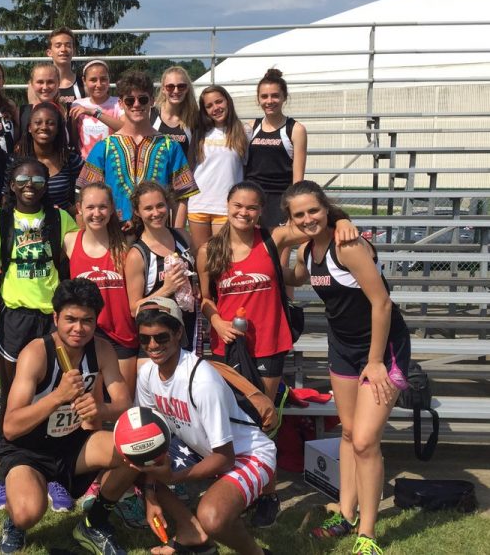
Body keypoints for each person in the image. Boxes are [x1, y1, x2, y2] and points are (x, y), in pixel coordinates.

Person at [197, 180, 357, 528]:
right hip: (229, 345)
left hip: (268, 342)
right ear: (227, 205)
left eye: (252, 207)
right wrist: (217, 319)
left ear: (260, 212)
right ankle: (239, 486)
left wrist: (342, 220)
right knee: (232, 420)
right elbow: (204, 297)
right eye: (238, 205)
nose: (244, 212)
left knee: (262, 418)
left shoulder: (273, 238)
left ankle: (268, 493)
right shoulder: (210, 250)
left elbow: (312, 223)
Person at [283, 181, 410, 555]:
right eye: (298, 215)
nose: (308, 218)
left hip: (382, 348)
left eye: (313, 211)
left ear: (326, 209)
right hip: (342, 347)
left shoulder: (348, 246)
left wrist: (374, 362)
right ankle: (345, 512)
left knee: (367, 441)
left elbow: (382, 303)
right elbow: (292, 279)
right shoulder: (307, 250)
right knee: (350, 433)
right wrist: (283, 243)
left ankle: (367, 534)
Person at [0, 157, 78, 511]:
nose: (30, 184)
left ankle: (56, 475)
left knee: (60, 395)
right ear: (11, 185)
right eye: (23, 178)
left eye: (38, 179)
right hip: (15, 318)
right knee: (14, 400)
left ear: (48, 184)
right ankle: (10, 472)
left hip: (54, 319)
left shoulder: (62, 218)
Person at [0, 278, 138, 555]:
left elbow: (124, 403)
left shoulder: (101, 349)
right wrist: (57, 397)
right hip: (29, 449)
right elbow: (11, 428)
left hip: (73, 443)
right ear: (55, 317)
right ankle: (14, 518)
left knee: (136, 450)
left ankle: (94, 522)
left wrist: (101, 409)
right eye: (70, 319)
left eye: (87, 320)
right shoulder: (36, 353)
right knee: (27, 513)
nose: (78, 328)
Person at [134, 297, 276, 555]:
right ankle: (192, 534)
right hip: (201, 449)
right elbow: (150, 437)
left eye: (161, 337)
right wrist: (151, 494)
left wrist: (172, 477)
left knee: (212, 517)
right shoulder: (146, 374)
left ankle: (256, 553)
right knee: (134, 459)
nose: (153, 346)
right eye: (145, 339)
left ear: (178, 333)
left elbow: (225, 458)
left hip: (247, 453)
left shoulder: (201, 380)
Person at [77, 70, 197, 226]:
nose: (136, 105)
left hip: (157, 235)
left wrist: (177, 234)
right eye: (129, 101)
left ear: (152, 101)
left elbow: (182, 195)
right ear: (120, 103)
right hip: (113, 235)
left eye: (142, 99)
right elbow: (85, 194)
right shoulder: (104, 148)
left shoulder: (169, 146)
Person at [65, 183, 137, 393]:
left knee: (122, 403)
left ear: (112, 208)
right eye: (90, 207)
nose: (97, 213)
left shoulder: (127, 243)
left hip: (122, 334)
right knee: (90, 408)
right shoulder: (70, 241)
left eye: (103, 207)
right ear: (79, 209)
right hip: (86, 334)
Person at [124, 182, 199, 355]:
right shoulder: (137, 254)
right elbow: (134, 309)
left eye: (160, 206)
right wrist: (166, 289)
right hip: (157, 341)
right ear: (137, 212)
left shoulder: (182, 236)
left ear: (167, 204)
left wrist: (194, 285)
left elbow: (193, 271)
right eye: (148, 208)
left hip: (187, 329)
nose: (156, 213)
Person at [186, 86, 249, 255]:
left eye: (219, 101)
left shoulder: (244, 132)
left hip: (225, 207)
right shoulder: (198, 132)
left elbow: (248, 170)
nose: (216, 108)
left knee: (222, 257)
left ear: (227, 101)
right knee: (200, 256)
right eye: (209, 105)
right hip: (198, 204)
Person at [244, 68, 307, 230]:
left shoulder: (295, 129)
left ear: (284, 97)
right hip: (253, 200)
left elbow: (298, 178)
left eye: (275, 95)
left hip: (280, 201)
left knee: (278, 253)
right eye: (264, 96)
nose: (269, 101)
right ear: (258, 99)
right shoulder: (251, 127)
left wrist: (292, 210)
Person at [16, 101, 84, 214]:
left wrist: (67, 212)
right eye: (38, 122)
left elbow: (90, 191)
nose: (44, 127)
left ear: (58, 129)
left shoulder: (70, 160)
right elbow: (6, 198)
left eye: (50, 123)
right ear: (29, 128)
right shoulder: (16, 161)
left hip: (62, 225)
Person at [69, 59, 123, 159]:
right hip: (85, 163)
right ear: (84, 80)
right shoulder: (77, 104)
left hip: (112, 162)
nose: (98, 84)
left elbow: (125, 128)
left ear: (109, 79)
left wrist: (94, 112)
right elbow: (74, 136)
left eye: (103, 79)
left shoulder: (118, 103)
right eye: (93, 80)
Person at [27, 27, 85, 108]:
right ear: (49, 52)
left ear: (73, 51)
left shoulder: (83, 83)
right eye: (58, 46)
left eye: (68, 45)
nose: (63, 49)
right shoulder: (35, 85)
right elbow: (35, 115)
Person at [151, 66, 197, 161]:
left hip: (182, 175)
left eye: (181, 86)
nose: (176, 91)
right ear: (163, 89)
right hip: (154, 175)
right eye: (170, 87)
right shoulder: (150, 114)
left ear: (187, 89)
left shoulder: (194, 118)